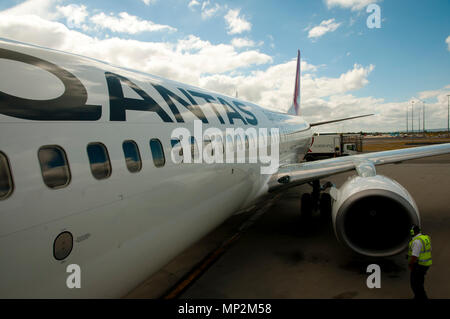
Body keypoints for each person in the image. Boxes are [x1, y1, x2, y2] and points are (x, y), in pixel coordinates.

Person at [408, 225, 432, 299]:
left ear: (413, 232)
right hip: (426, 263)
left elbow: (415, 256)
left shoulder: (417, 241)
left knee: (415, 284)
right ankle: (418, 297)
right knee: (420, 282)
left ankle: (423, 298)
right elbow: (429, 249)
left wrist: (410, 264)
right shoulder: (425, 238)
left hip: (419, 265)